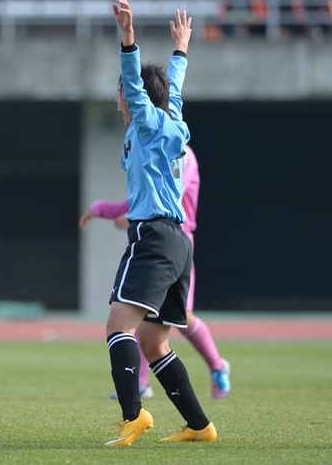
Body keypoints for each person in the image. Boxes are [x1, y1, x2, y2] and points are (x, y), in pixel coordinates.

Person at [103, 0, 216, 447]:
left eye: (121, 92)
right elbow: (176, 88)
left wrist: (128, 36)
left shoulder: (147, 123)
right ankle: (199, 425)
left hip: (153, 236)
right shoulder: (169, 117)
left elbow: (137, 85)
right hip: (176, 241)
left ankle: (133, 416)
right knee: (154, 342)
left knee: (118, 327)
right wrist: (181, 49)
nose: (119, 98)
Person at [80, 144, 231, 401]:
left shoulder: (180, 152)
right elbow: (139, 198)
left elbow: (172, 194)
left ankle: (217, 366)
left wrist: (129, 214)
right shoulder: (154, 148)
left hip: (174, 242)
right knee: (140, 311)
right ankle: (140, 383)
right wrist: (100, 209)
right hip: (151, 244)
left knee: (183, 317)